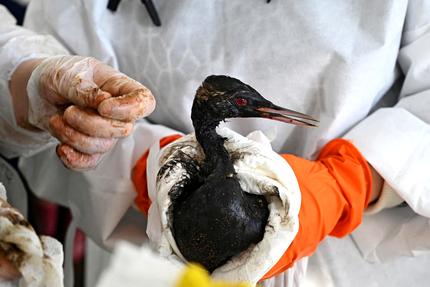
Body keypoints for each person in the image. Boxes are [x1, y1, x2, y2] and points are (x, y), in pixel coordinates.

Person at [0, 0, 429, 286]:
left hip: (353, 263)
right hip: (148, 266)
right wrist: (140, 164)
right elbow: (45, 118)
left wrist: (349, 183)